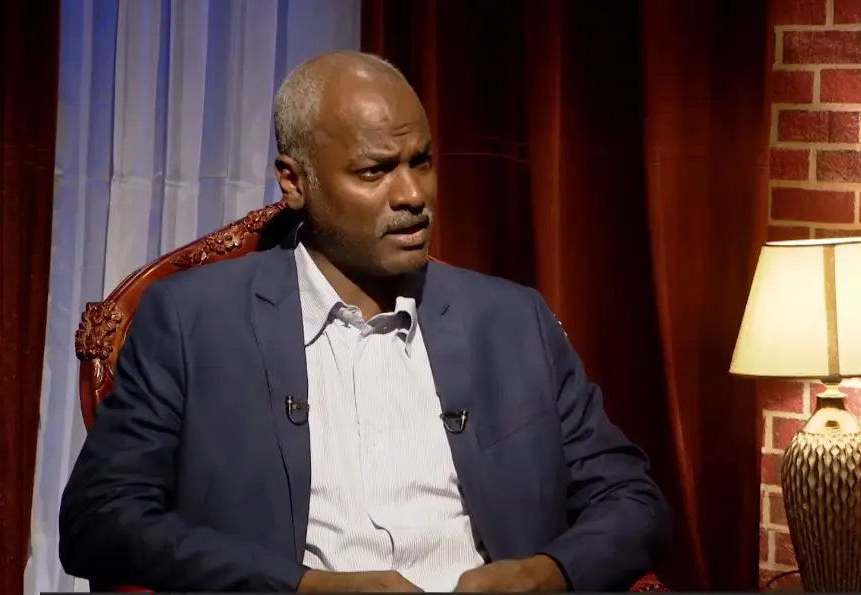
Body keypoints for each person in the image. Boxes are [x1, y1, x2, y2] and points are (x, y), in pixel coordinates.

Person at [59, 51, 670, 593]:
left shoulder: (512, 321)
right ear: (295, 181)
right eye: (375, 171)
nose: (413, 195)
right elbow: (101, 518)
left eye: (421, 162)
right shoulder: (192, 320)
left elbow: (632, 499)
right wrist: (302, 587)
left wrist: (546, 573)